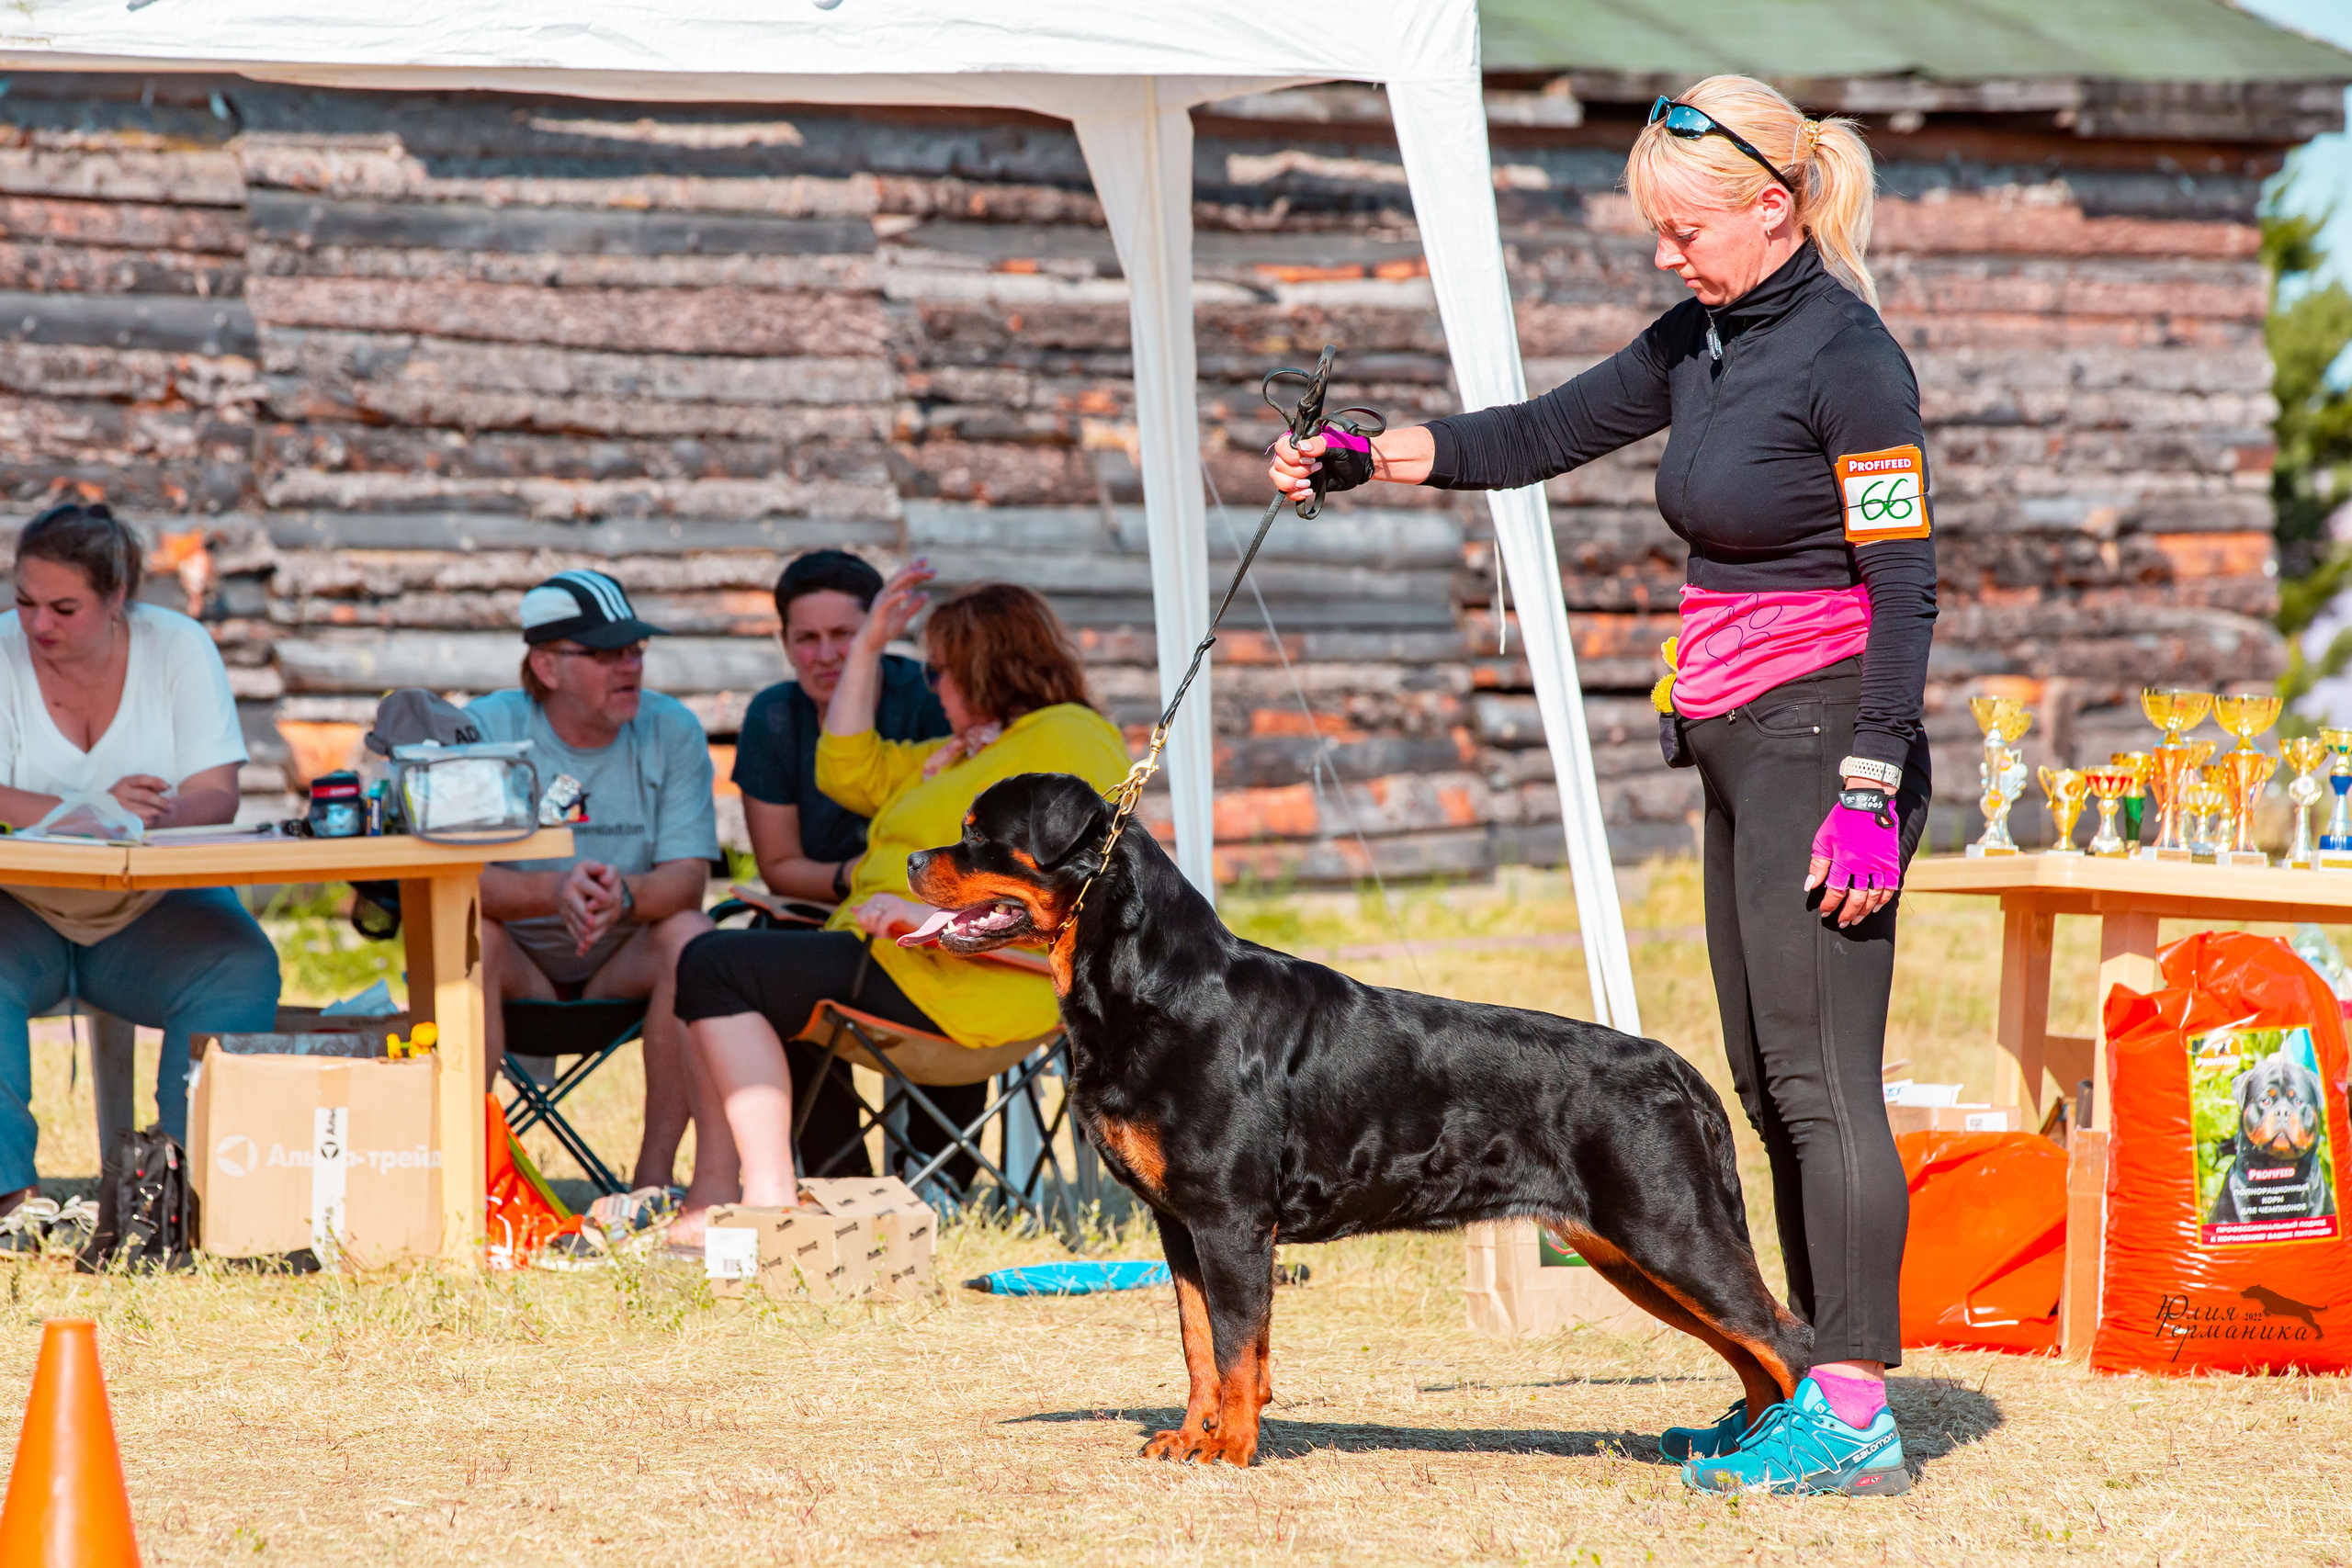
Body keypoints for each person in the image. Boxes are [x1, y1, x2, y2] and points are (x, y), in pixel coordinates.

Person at [1272, 75, 1933, 1498]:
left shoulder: (1852, 359)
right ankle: (1805, 1377)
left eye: (1688, 227)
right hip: (1739, 736)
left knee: (1825, 1084)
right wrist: (1365, 453)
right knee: (1762, 1080)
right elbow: (1539, 432)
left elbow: (1906, 580)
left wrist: (1874, 776)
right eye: (1657, 230)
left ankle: (1861, 1407)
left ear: (1776, 202)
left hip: (1832, 744)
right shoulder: (1701, 339)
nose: (1667, 253)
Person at [667, 569, 1130, 1244]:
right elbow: (847, 768)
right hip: (913, 964)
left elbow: (1081, 895)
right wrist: (866, 647)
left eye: (939, 670)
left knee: (715, 963)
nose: (931, 686)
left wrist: (926, 919)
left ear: (983, 668)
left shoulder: (1066, 735)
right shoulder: (977, 749)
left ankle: (764, 1202)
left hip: (967, 982)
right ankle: (845, 1197)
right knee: (749, 965)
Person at [0, 502, 280, 1222]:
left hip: (151, 910)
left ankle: (185, 1195)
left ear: (118, 595)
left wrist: (140, 820)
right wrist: (85, 810)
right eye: (25, 601)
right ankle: (9, 1202)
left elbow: (216, 795)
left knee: (241, 965)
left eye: (64, 607)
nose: (38, 626)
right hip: (20, 908)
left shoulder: (178, 648)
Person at [468, 570, 718, 1195]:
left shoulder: (672, 728)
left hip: (621, 961)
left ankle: (653, 1184)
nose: (629, 666)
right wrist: (555, 892)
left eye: (635, 649)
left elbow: (687, 880)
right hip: (518, 960)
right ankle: (471, 1181)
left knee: (693, 937)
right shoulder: (486, 728)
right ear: (547, 667)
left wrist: (623, 897)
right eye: (607, 653)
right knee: (472, 935)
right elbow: (454, 878)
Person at [731, 550, 954, 1179]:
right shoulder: (774, 717)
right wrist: (863, 877)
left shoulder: (935, 696)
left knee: (946, 938)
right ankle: (840, 1177)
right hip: (821, 910)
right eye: (806, 637)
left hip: (927, 908)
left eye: (844, 636)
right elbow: (779, 865)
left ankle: (939, 1179)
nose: (825, 653)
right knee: (771, 954)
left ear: (878, 633)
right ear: (784, 642)